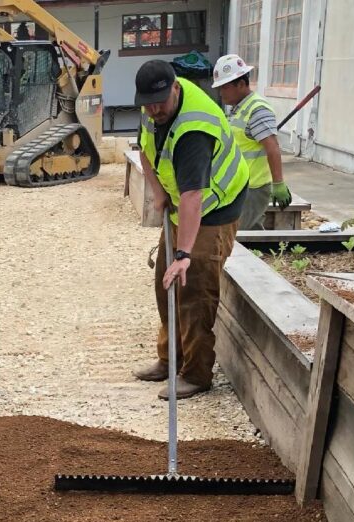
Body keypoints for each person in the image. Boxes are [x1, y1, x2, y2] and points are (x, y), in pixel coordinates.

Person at [132, 59, 249, 400]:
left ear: (175, 88)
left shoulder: (194, 129)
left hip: (216, 206)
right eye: (148, 103)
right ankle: (170, 360)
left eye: (160, 102)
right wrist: (157, 193)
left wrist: (183, 254)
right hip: (182, 201)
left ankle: (196, 373)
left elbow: (193, 197)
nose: (154, 109)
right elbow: (145, 150)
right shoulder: (151, 109)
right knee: (164, 284)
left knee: (193, 284)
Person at [214, 53, 292, 230]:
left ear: (241, 84)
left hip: (253, 188)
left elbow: (272, 147)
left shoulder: (258, 109)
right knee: (244, 235)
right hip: (239, 186)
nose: (221, 93)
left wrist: (278, 183)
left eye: (224, 87)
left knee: (242, 236)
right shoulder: (238, 109)